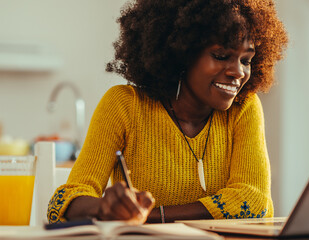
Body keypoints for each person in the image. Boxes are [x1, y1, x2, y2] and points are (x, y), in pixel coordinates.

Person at [47, 0, 288, 223]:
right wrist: (103, 208)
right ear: (181, 52)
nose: (238, 72)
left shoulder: (244, 107)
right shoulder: (124, 105)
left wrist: (150, 216)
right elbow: (61, 204)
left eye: (246, 60)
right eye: (221, 56)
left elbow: (254, 203)